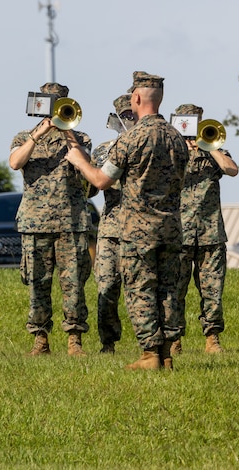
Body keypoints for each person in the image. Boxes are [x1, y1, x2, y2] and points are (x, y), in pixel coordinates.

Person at [67, 71, 188, 370]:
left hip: (138, 230)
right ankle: (167, 355)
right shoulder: (178, 138)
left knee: (141, 290)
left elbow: (101, 180)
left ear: (135, 98)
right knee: (168, 290)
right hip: (172, 228)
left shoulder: (131, 138)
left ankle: (149, 354)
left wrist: (80, 160)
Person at [8, 82, 94, 357]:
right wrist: (39, 133)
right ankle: (40, 339)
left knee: (74, 286)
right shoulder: (23, 136)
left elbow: (86, 165)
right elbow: (15, 163)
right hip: (35, 223)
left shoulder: (81, 138)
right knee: (37, 284)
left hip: (72, 222)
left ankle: (74, 340)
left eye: (59, 105)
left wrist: (68, 133)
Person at [169, 103, 238, 355]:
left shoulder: (213, 149)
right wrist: (182, 151)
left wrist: (211, 147)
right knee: (175, 290)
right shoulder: (170, 151)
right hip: (179, 234)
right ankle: (174, 339)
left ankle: (212, 338)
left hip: (210, 233)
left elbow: (232, 169)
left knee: (213, 291)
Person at [91, 94, 136, 354]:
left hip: (141, 229)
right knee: (106, 286)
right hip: (110, 230)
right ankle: (108, 343)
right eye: (126, 116)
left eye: (133, 114)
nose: (130, 119)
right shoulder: (104, 148)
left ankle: (152, 343)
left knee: (141, 289)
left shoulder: (151, 143)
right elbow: (91, 190)